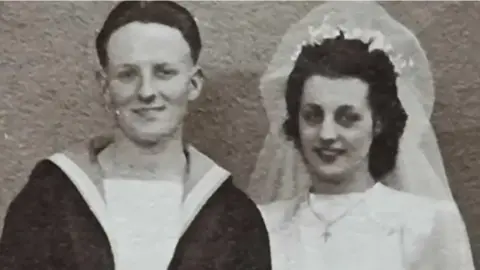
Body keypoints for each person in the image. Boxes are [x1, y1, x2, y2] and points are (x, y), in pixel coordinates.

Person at [0, 1, 271, 270]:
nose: (146, 92)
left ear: (193, 84)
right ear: (105, 88)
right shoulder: (49, 198)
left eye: (164, 73)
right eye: (128, 74)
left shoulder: (234, 215)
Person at [248, 2, 475, 270]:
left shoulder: (427, 224)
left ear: (377, 123)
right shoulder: (263, 225)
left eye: (348, 118)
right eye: (312, 115)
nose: (327, 134)